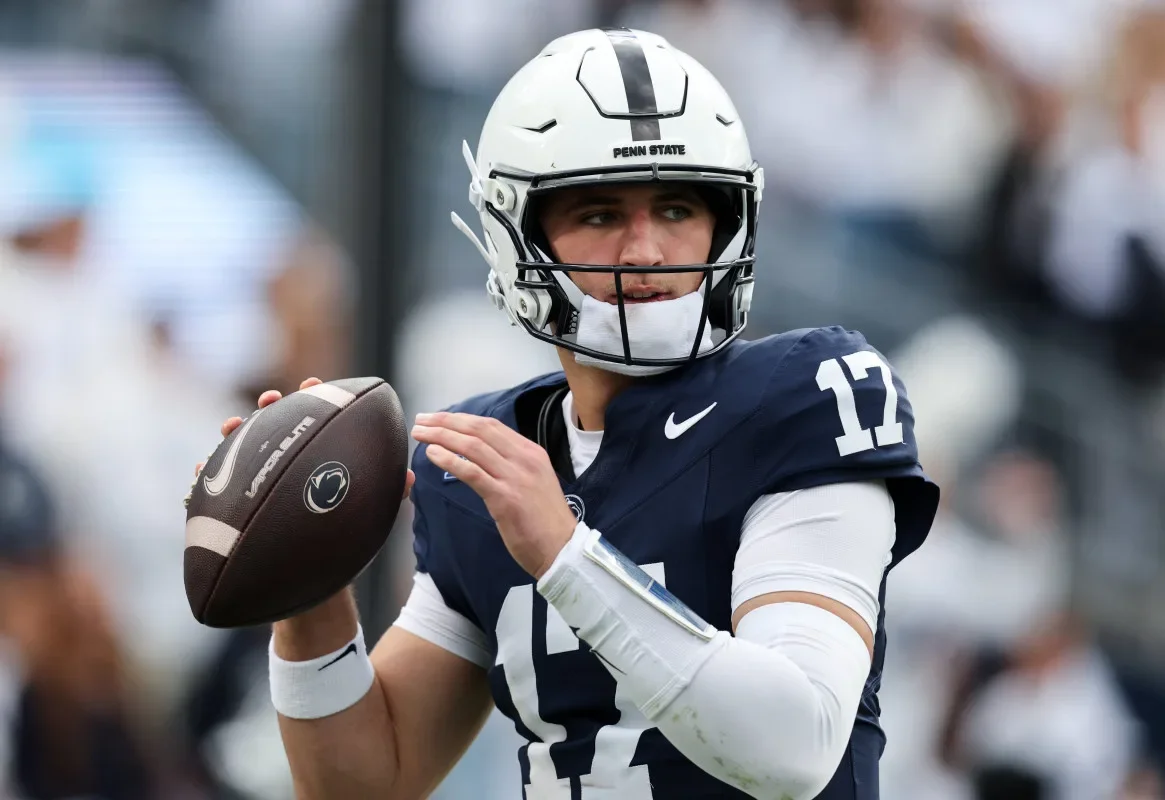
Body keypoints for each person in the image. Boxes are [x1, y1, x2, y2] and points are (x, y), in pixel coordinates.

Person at [207, 28, 938, 799]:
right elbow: (370, 782)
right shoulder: (485, 462)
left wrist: (564, 554)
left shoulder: (803, 393)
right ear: (514, 233)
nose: (647, 250)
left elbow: (795, 744)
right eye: (598, 214)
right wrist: (309, 586)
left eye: (678, 206)